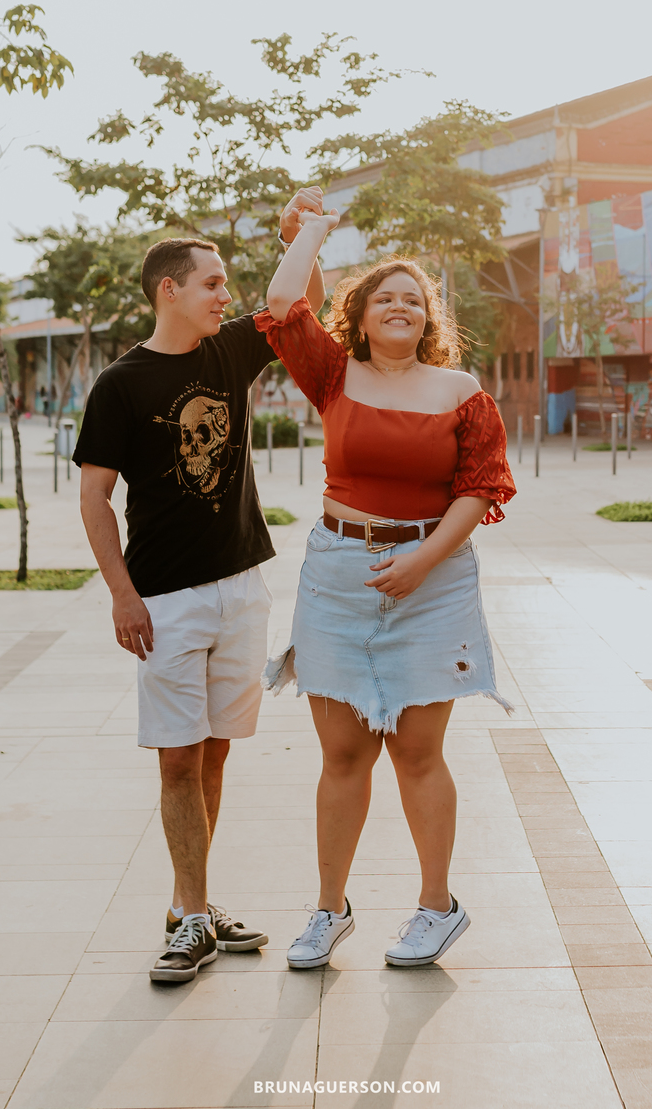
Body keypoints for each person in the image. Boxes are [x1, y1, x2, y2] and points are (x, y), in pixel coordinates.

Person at [73, 191, 326, 986]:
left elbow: (294, 307)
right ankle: (187, 915)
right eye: (211, 283)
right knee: (178, 763)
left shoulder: (229, 354)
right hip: (168, 600)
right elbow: (93, 498)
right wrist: (121, 594)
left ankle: (198, 904)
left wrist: (306, 235)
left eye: (226, 282)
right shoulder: (121, 384)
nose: (226, 295)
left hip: (242, 586)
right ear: (168, 290)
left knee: (215, 756)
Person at [258, 210, 515, 972]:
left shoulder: (461, 389)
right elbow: (281, 303)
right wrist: (308, 230)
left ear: (428, 317)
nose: (401, 306)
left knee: (416, 751)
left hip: (430, 581)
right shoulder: (333, 374)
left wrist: (425, 560)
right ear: (360, 316)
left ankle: (437, 908)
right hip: (337, 574)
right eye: (384, 298)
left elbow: (480, 487)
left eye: (414, 299)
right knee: (341, 755)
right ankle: (327, 911)